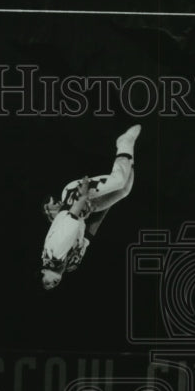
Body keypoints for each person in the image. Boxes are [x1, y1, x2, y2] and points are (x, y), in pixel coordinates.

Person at [40, 124, 141, 290]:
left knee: (119, 180)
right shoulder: (72, 263)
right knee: (124, 190)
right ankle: (128, 155)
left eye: (46, 282)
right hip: (87, 208)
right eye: (53, 286)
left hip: (74, 198)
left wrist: (84, 194)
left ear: (43, 271)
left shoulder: (54, 252)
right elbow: (89, 233)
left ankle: (124, 142)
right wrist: (109, 202)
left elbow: (72, 216)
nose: (51, 284)